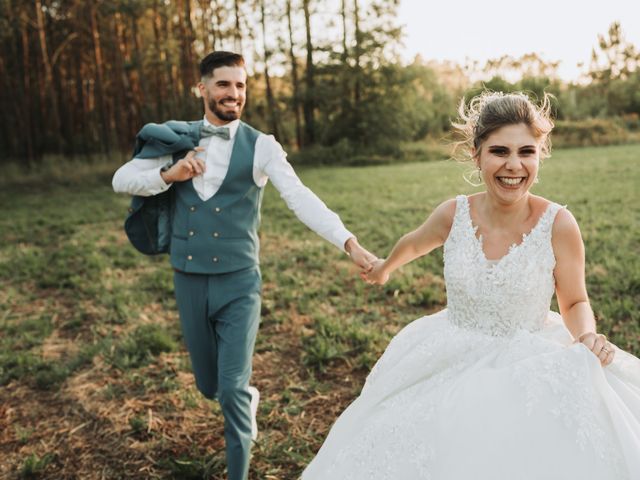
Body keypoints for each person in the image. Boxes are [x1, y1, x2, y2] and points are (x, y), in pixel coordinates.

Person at [302, 92, 640, 480]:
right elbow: (414, 242)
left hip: (527, 355)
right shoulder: (454, 213)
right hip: (449, 349)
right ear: (476, 154)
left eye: (526, 152)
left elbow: (576, 298)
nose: (513, 165)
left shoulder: (559, 224)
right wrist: (384, 268)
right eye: (499, 151)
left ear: (540, 155)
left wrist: (587, 336)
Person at [112, 51, 376, 480]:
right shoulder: (175, 138)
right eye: (223, 85)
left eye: (240, 86)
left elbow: (300, 197)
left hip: (239, 283)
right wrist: (168, 175)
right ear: (202, 89)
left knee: (232, 388)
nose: (233, 94)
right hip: (189, 279)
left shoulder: (262, 146)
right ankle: (238, 399)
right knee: (210, 387)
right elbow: (121, 179)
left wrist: (349, 243)